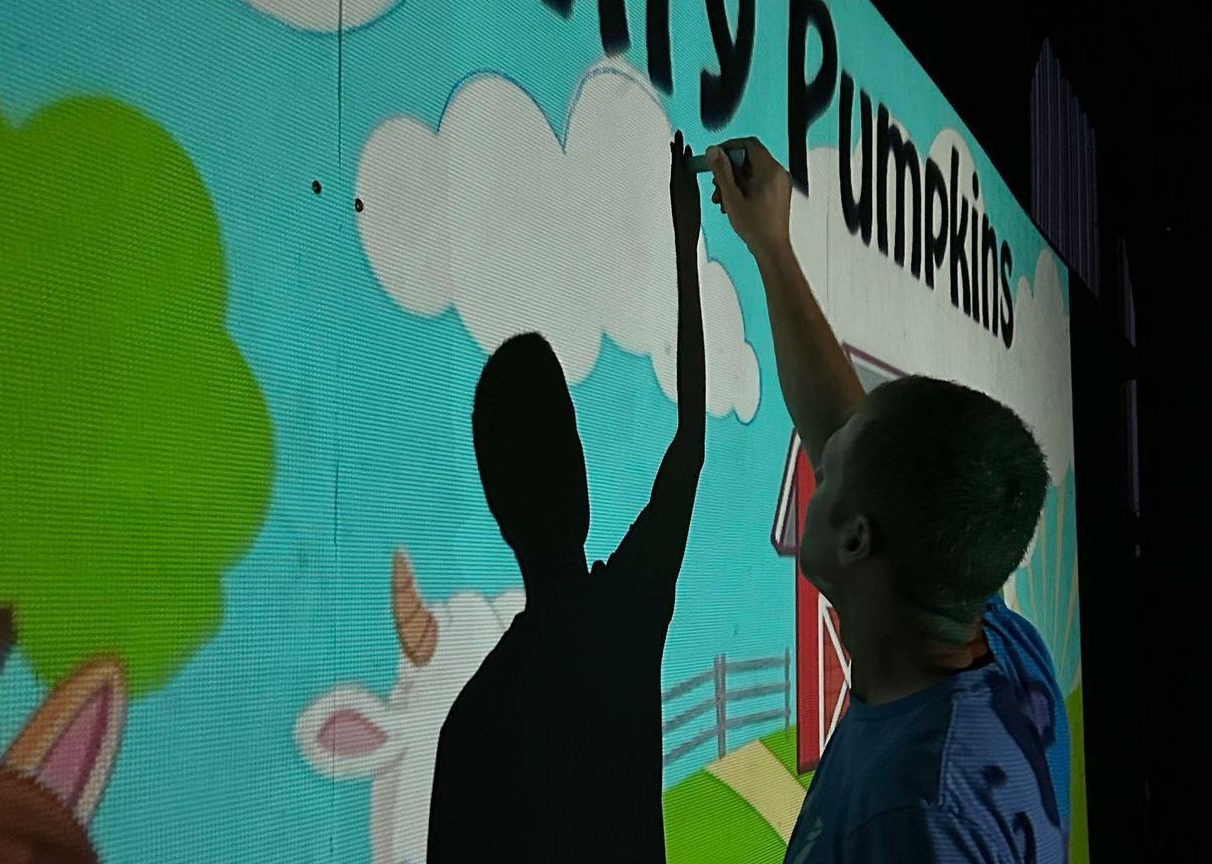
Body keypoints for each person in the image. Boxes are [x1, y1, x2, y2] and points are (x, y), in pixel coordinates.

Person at [705, 139, 1070, 863]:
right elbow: (849, 431)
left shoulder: (910, 818)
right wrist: (772, 246)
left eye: (830, 466)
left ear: (857, 541)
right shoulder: (999, 652)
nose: (821, 448)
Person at [426, 132, 706, 864]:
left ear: (495, 506)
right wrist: (686, 239)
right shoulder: (626, 614)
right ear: (581, 477)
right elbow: (689, 441)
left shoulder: (473, 724)